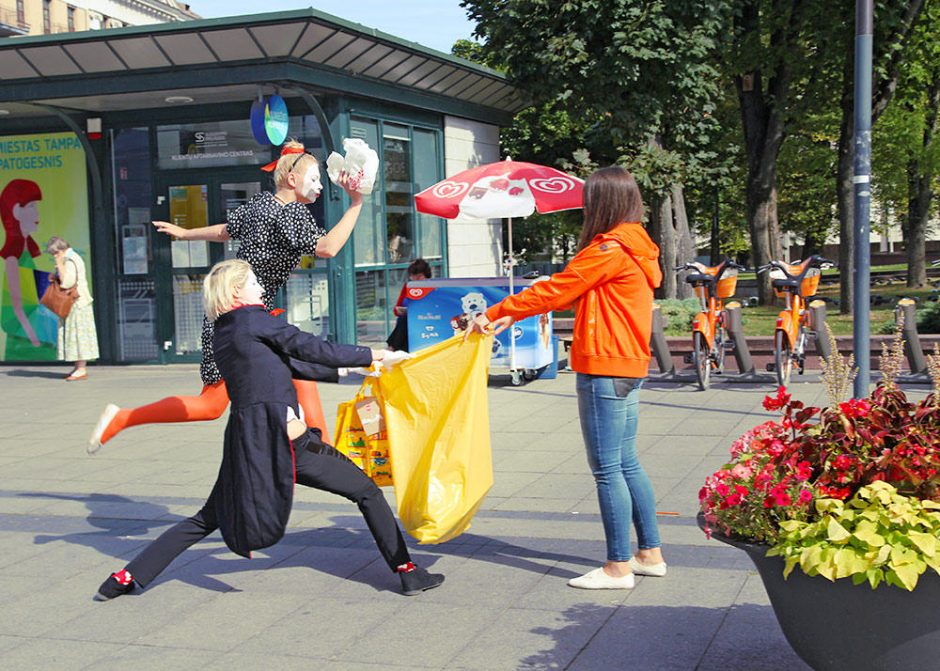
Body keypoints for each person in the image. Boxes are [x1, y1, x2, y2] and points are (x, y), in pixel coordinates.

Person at [93, 259, 443, 601]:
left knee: (207, 518)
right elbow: (310, 346)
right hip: (290, 445)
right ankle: (408, 571)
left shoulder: (225, 333)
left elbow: (288, 364)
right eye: (255, 284)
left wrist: (351, 372)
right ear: (236, 292)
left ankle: (126, 576)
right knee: (366, 491)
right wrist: (375, 354)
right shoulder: (254, 319)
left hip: (248, 446)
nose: (262, 290)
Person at [89, 140, 360, 452]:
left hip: (239, 315)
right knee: (212, 405)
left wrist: (184, 233)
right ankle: (123, 418)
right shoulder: (293, 212)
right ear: (292, 179)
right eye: (315, 180)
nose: (320, 188)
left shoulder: (261, 205)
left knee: (291, 371)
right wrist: (355, 204)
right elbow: (327, 248)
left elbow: (224, 231)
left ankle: (322, 449)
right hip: (244, 320)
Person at [475, 166, 667, 589]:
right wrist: (509, 316)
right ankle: (649, 554)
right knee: (627, 462)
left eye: (589, 199)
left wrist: (494, 312)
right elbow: (575, 292)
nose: (585, 206)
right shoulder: (636, 246)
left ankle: (618, 566)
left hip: (604, 366)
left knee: (607, 469)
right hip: (628, 364)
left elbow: (555, 290)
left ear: (603, 202)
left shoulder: (609, 248)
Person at [1, 179, 56, 359]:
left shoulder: (25, 253)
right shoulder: (13, 259)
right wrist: (35, 338)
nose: (37, 213)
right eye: (32, 206)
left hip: (35, 332)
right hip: (26, 339)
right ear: (16, 211)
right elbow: (16, 305)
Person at [46, 237, 99, 380]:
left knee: (78, 335)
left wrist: (59, 265)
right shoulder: (73, 258)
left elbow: (66, 283)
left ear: (60, 251)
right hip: (77, 302)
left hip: (77, 303)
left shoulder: (70, 260)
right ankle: (78, 367)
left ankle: (81, 368)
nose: (54, 257)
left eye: (54, 254)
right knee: (75, 334)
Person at [386, 258, 430, 352]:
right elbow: (396, 309)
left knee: (405, 321)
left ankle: (392, 347)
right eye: (412, 276)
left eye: (418, 276)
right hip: (407, 323)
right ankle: (393, 348)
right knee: (404, 319)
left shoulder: (432, 288)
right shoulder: (408, 287)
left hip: (424, 320)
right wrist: (400, 310)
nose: (413, 279)